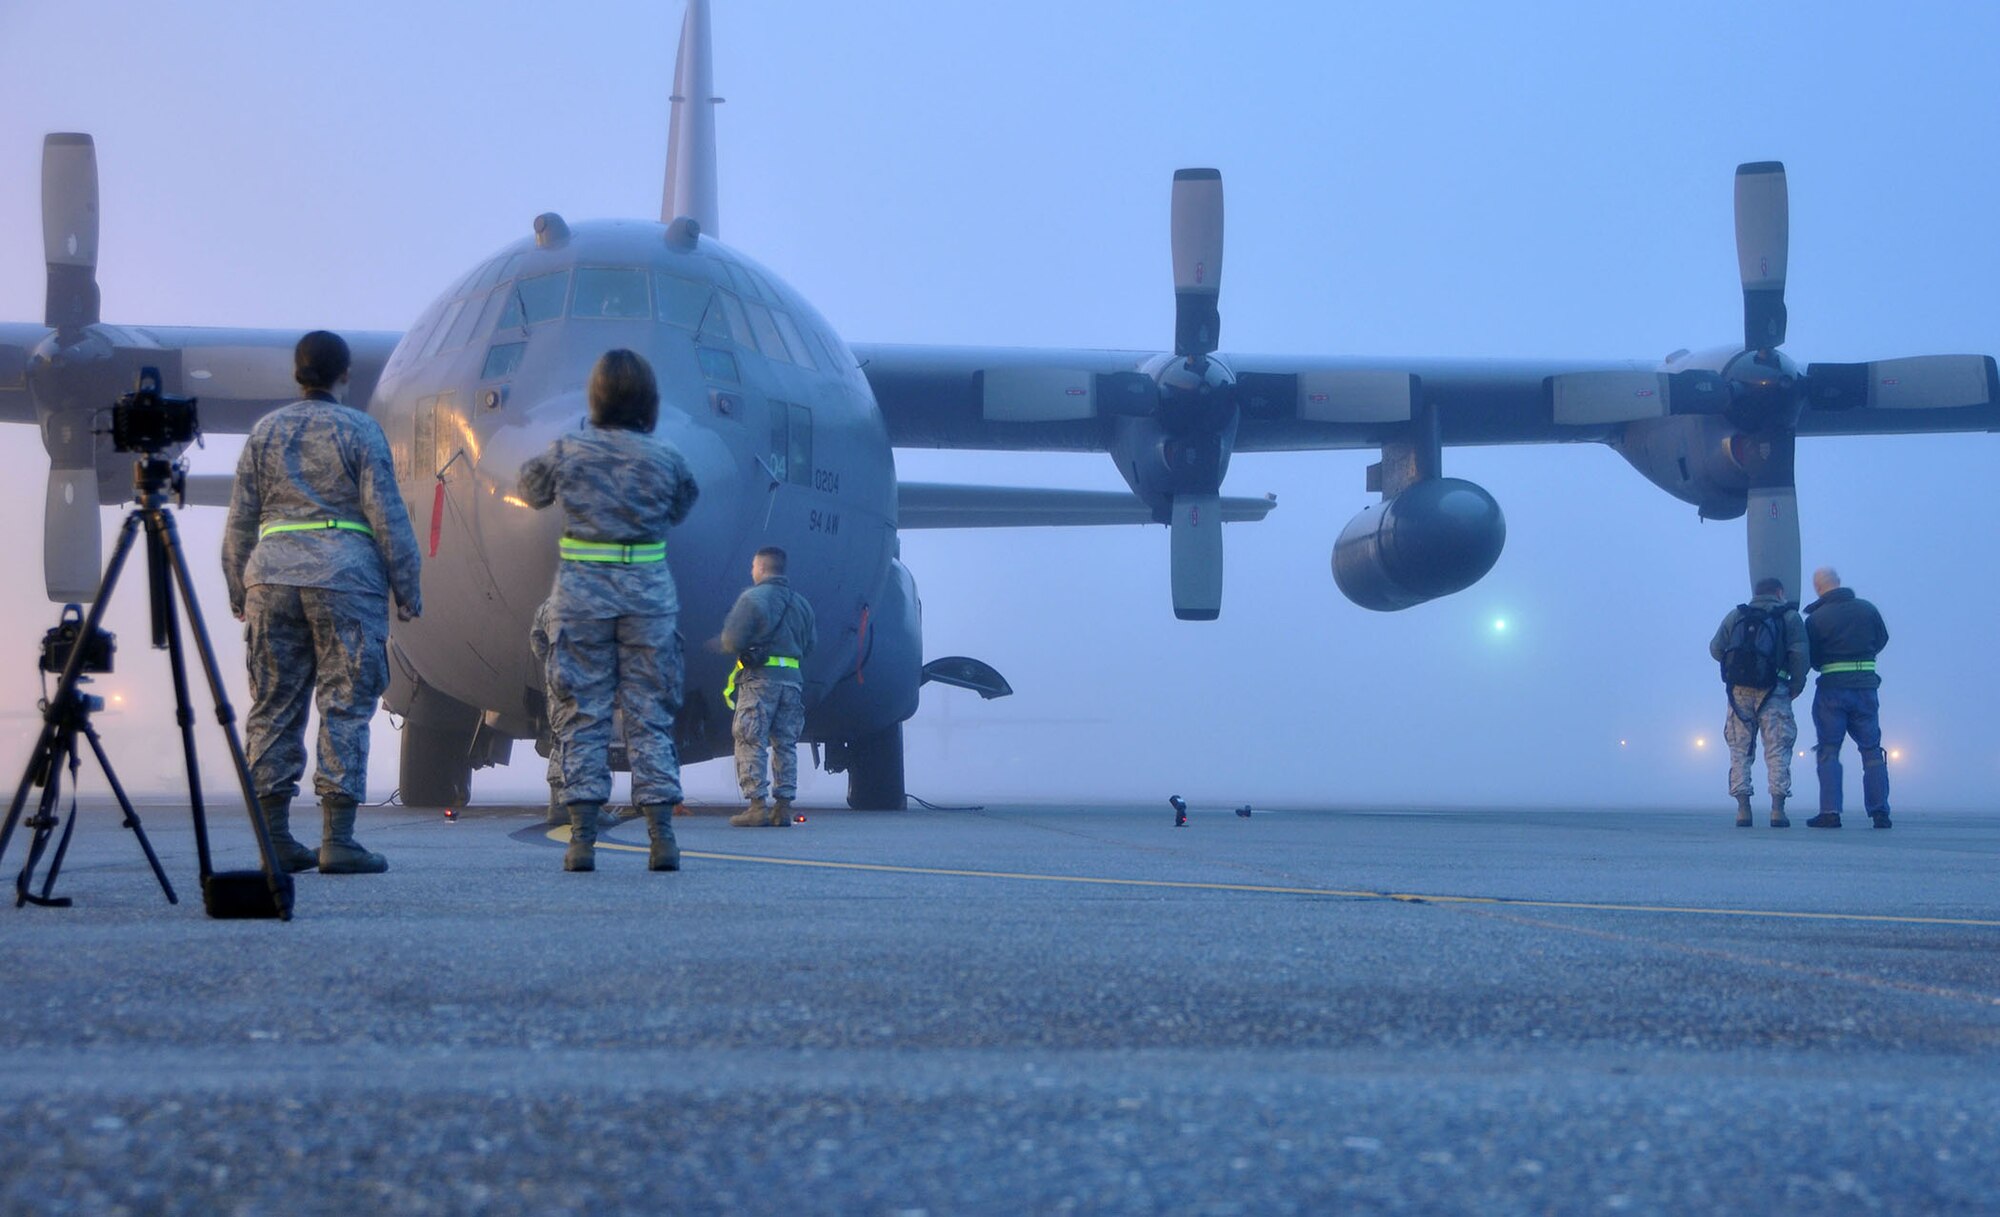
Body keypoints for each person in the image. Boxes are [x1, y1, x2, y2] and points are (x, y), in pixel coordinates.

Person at [222, 330, 422, 875]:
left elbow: (240, 518)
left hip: (272, 575)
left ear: (296, 374)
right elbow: (386, 513)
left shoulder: (265, 432)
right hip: (344, 577)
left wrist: (239, 587)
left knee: (274, 706)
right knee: (345, 705)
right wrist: (407, 586)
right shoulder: (360, 430)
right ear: (345, 375)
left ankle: (276, 837)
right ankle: (339, 839)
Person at [518, 349, 698, 871]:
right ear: (649, 402)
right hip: (647, 598)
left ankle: (581, 841)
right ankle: (662, 837)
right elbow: (684, 502)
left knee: (582, 717)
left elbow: (531, 488)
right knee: (650, 716)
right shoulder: (665, 457)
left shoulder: (570, 450)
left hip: (583, 598)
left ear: (594, 399)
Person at [721, 547, 816, 827]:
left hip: (759, 682)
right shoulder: (801, 604)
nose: (751, 571)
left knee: (751, 739)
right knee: (786, 744)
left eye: (753, 566)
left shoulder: (751, 599)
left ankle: (757, 806)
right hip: (792, 684)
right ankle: (783, 809)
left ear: (761, 568)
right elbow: (811, 645)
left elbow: (730, 641)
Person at [1709, 577, 1808, 828]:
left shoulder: (1736, 615)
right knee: (1777, 750)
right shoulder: (1789, 617)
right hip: (1775, 690)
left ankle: (1743, 810)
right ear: (1779, 592)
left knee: (1739, 749)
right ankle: (1778, 810)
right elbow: (1799, 654)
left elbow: (1715, 648)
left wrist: (1737, 670)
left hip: (1738, 693)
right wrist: (1795, 685)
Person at [1803, 566, 1892, 829]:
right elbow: (1882, 639)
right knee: (1872, 751)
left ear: (1818, 587)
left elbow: (1812, 657)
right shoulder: (1867, 609)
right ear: (1839, 582)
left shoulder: (1816, 619)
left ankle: (1830, 812)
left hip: (1831, 690)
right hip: (1866, 688)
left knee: (1829, 750)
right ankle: (1880, 813)